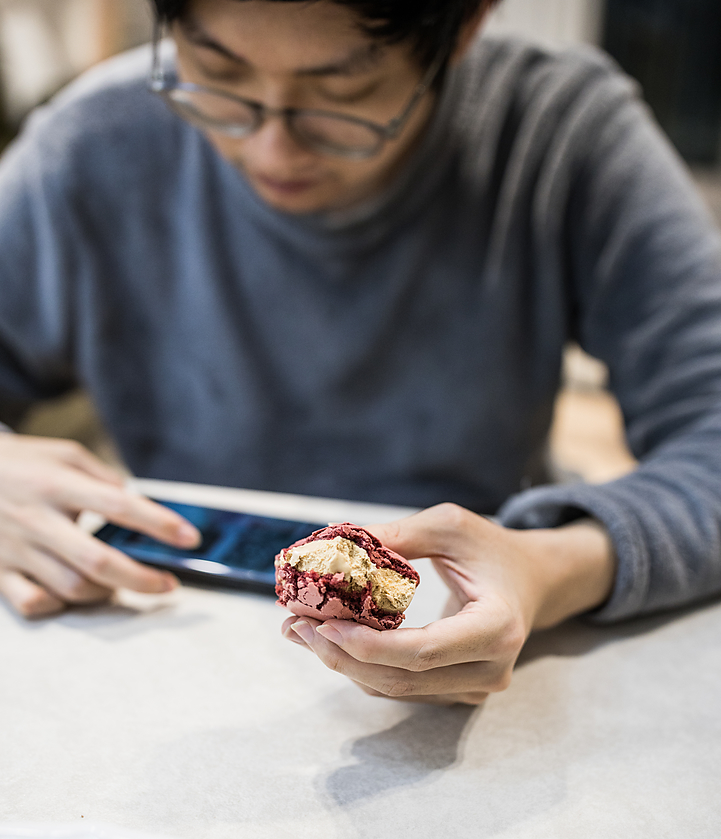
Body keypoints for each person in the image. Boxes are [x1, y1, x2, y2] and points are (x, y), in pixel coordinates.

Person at [0, 0, 720, 706]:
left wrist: (554, 567)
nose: (270, 150)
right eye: (218, 73)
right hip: (163, 648)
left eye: (342, 93)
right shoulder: (89, 144)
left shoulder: (558, 134)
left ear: (466, 24)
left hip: (491, 649)